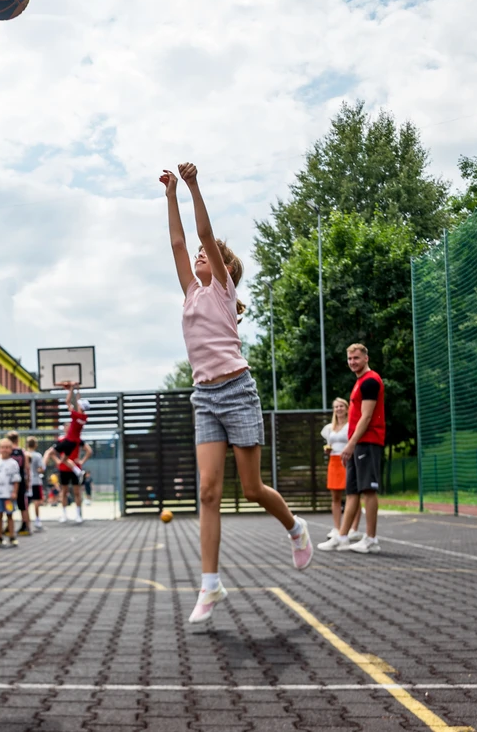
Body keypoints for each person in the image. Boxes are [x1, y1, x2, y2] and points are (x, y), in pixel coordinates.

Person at [162, 162, 313, 625]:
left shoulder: (221, 290)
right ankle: (211, 586)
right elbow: (178, 242)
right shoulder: (189, 290)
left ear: (227, 269)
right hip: (204, 396)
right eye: (202, 257)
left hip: (238, 391)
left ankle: (295, 527)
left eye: (211, 256)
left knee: (250, 488)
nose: (201, 258)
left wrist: (193, 186)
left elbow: (202, 233)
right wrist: (169, 194)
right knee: (208, 491)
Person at [318, 345, 385, 554]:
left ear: (366, 358)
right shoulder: (359, 383)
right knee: (352, 491)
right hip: (358, 443)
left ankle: (371, 539)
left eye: (356, 358)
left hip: (368, 441)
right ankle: (342, 537)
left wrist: (351, 443)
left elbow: (366, 416)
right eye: (349, 359)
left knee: (368, 489)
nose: (352, 362)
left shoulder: (371, 381)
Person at [321, 398, 361, 541]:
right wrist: (327, 450)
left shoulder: (352, 425)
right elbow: (329, 444)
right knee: (335, 497)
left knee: (352, 495)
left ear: (347, 408)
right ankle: (337, 528)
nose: (338, 409)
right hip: (333, 462)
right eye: (336, 406)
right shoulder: (329, 428)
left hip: (348, 461)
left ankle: (353, 528)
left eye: (341, 406)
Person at [42, 383, 90, 477]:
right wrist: (77, 389)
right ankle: (79, 472)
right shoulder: (84, 418)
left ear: (80, 407)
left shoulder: (75, 416)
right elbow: (78, 402)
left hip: (68, 441)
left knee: (49, 452)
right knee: (64, 460)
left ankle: (42, 468)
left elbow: (67, 401)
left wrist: (71, 388)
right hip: (74, 443)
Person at [0, 438, 22, 548]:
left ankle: (12, 536)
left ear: (11, 449)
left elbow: (16, 480)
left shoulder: (13, 464)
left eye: (7, 447)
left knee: (10, 515)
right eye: (3, 447)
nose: (5, 449)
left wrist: (15, 492)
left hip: (9, 495)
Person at [56, 437, 90, 524]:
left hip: (75, 469)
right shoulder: (61, 440)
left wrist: (81, 461)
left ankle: (78, 515)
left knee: (77, 492)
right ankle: (64, 515)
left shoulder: (77, 439)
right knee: (64, 492)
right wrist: (58, 461)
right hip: (63, 470)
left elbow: (89, 450)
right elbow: (51, 452)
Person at [5, 431, 32, 537]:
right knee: (23, 506)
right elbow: (27, 469)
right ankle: (26, 525)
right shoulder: (22, 452)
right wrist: (28, 481)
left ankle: (9, 525)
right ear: (17, 440)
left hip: (9, 482)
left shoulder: (7, 451)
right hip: (20, 481)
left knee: (9, 503)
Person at [25, 437, 46, 531]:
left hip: (27, 481)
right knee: (37, 501)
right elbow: (41, 469)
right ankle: (37, 521)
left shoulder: (25, 454)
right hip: (36, 481)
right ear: (35, 445)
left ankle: (26, 522)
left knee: (27, 503)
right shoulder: (37, 456)